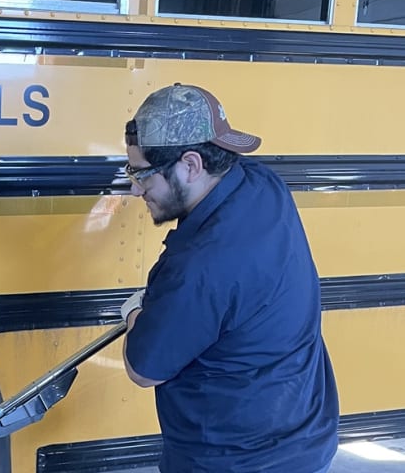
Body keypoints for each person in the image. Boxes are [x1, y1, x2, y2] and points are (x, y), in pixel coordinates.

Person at [118, 83, 339, 472]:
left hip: (232, 460)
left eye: (141, 174)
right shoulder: (263, 184)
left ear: (190, 165)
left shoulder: (201, 267)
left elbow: (143, 369)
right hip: (306, 439)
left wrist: (135, 311)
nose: (135, 190)